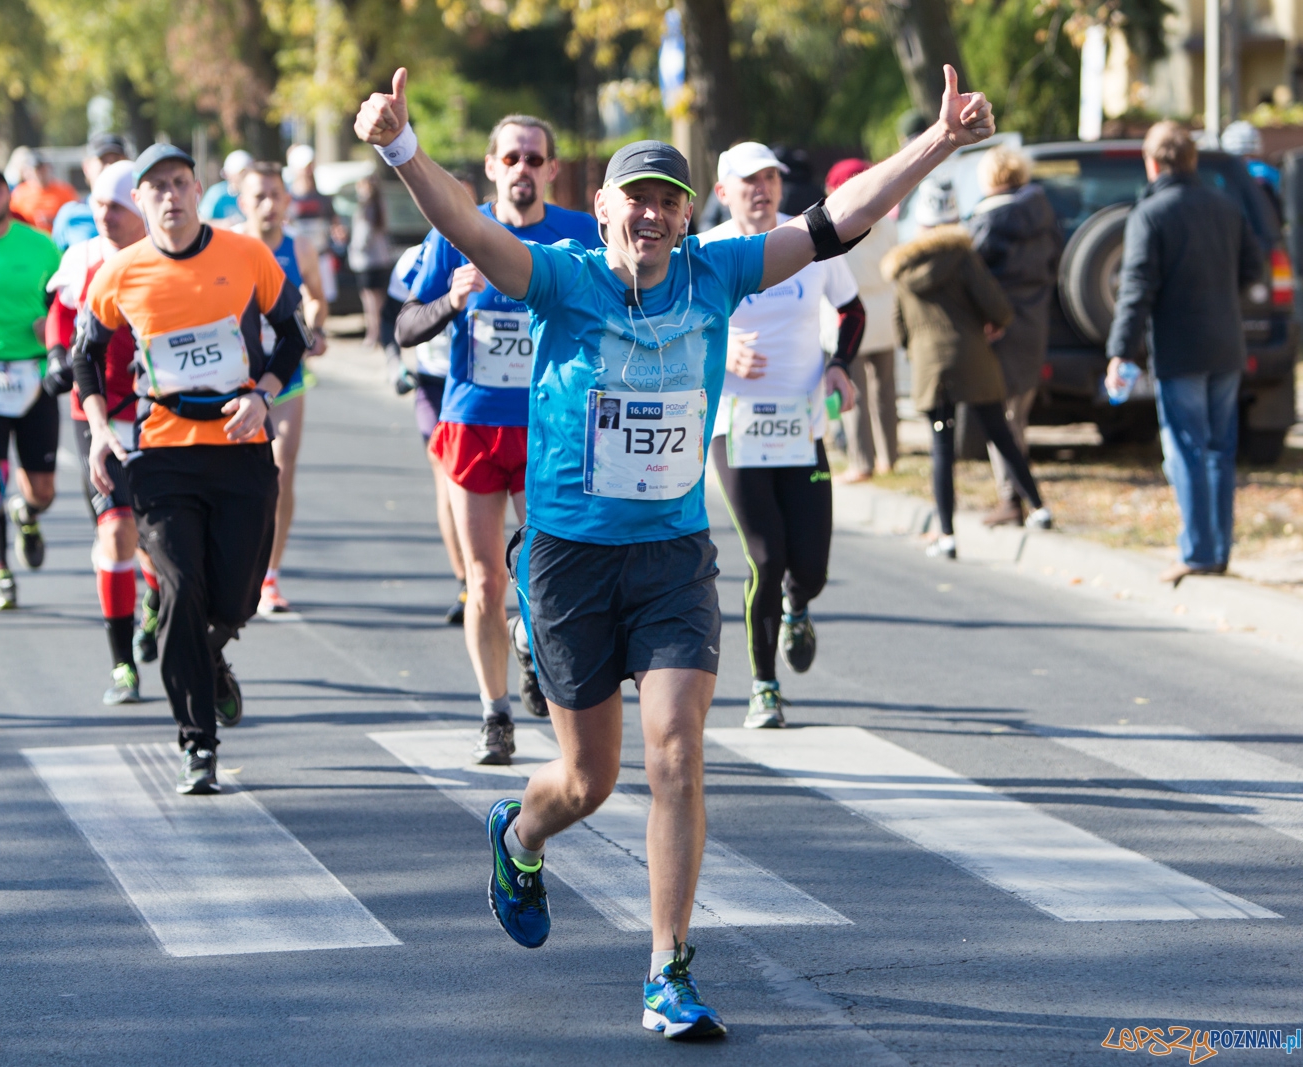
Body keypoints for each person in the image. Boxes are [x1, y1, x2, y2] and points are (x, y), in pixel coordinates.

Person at [357, 63, 995, 1038]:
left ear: (685, 216)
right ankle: (521, 831)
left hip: (670, 557)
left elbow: (833, 221)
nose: (653, 216)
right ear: (602, 205)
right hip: (569, 559)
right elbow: (470, 229)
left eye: (670, 202)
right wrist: (403, 148)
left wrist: (938, 143)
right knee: (588, 780)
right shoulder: (560, 281)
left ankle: (668, 969)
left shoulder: (716, 270)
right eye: (638, 199)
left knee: (680, 755)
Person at [74, 143, 311, 795]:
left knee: (233, 598)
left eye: (180, 183)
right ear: (140, 200)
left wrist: (262, 394)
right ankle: (196, 741)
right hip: (165, 452)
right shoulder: (119, 273)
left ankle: (208, 658)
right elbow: (84, 357)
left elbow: (294, 334)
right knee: (180, 591)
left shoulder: (247, 255)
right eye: (157, 187)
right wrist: (97, 430)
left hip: (240, 449)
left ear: (200, 189)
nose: (170, 196)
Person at [394, 114, 597, 764]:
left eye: (535, 159)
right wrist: (451, 303)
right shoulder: (458, 230)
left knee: (547, 574)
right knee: (484, 580)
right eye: (511, 158)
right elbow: (405, 326)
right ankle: (495, 711)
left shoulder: (580, 235)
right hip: (475, 421)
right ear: (492, 166)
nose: (523, 170)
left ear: (552, 170)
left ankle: (534, 645)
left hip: (552, 428)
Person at [700, 142, 863, 730]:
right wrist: (721, 351)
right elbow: (673, 327)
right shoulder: (708, 252)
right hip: (734, 428)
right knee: (765, 557)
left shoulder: (807, 243)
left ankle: (800, 606)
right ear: (723, 193)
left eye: (770, 177)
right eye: (749, 180)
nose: (762, 188)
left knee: (811, 568)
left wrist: (839, 363)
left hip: (802, 425)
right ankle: (764, 687)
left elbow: (852, 309)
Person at [1105, 121, 1265, 587]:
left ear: (1152, 163)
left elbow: (1136, 289)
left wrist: (1120, 351)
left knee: (1187, 452)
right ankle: (1216, 550)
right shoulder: (1226, 206)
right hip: (1226, 344)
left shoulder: (1151, 214)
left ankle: (1196, 552)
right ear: (1193, 160)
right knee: (1219, 449)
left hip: (1180, 348)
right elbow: (1252, 268)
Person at [884, 175, 1050, 561]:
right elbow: (997, 307)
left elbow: (900, 326)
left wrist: (918, 350)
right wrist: (992, 326)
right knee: (1001, 435)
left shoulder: (901, 269)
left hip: (931, 369)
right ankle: (1039, 509)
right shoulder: (963, 256)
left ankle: (946, 534)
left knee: (942, 448)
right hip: (974, 360)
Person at [46, 158, 158, 703]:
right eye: (97, 205)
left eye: (116, 205)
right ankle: (122, 667)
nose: (105, 215)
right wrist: (54, 356)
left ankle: (155, 594)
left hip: (162, 416)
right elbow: (60, 315)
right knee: (116, 530)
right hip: (97, 413)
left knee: (157, 539)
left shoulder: (170, 256)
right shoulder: (84, 256)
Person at [0, 165, 63, 612]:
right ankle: (0, 574)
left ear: (9, 195)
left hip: (34, 373)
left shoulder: (40, 245)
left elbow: (64, 299)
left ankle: (28, 514)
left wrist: (52, 324)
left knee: (42, 490)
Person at [237, 162, 330, 614]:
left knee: (280, 470)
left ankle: (269, 575)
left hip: (287, 375)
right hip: (236, 379)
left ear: (288, 201)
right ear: (242, 202)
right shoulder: (227, 245)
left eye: (276, 195)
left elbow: (315, 295)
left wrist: (314, 325)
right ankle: (237, 565)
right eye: (258, 196)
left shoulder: (300, 247)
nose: (268, 205)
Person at [966, 146, 1060, 526]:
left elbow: (972, 276)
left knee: (1000, 419)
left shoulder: (986, 221)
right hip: (1034, 321)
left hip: (998, 326)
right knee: (1017, 414)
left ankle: (1012, 498)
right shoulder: (1044, 214)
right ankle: (1018, 496)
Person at [389, 241, 468, 624]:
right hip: (433, 383)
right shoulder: (412, 260)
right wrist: (394, 366)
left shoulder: (490, 246)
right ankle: (467, 581)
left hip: (479, 383)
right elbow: (396, 322)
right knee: (447, 478)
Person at [822, 159, 900, 483]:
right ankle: (889, 457)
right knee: (886, 392)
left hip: (850, 315)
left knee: (851, 392)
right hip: (886, 310)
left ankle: (861, 461)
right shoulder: (888, 221)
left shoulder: (839, 224)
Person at [53, 135, 129, 252]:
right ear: (86, 167)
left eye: (116, 160)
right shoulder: (70, 215)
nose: (110, 167)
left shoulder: (140, 214)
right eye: (103, 160)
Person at [287, 144, 342, 303]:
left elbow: (335, 224)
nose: (308, 170)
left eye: (310, 165)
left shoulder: (324, 199)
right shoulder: (287, 199)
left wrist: (338, 233)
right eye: (304, 166)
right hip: (297, 258)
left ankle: (318, 328)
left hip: (321, 256)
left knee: (321, 299)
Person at [349, 176, 395, 350]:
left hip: (367, 261)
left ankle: (373, 335)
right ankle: (383, 334)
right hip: (380, 260)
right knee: (379, 302)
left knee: (370, 303)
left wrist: (353, 248)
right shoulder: (380, 205)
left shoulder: (367, 206)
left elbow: (363, 236)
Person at [9, 152, 79, 235]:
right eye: (36, 169)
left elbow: (76, 216)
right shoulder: (20, 193)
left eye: (42, 168)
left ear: (49, 168)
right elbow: (12, 218)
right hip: (28, 240)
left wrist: (55, 220)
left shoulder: (65, 190)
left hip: (57, 239)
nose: (40, 173)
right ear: (28, 171)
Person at [199, 150, 253, 223]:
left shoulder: (254, 194)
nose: (245, 177)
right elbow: (200, 221)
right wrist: (224, 225)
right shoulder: (217, 193)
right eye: (242, 173)